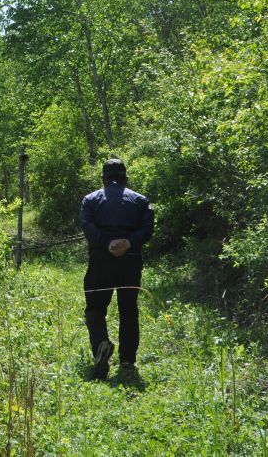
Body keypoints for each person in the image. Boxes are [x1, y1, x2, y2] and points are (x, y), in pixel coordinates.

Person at [79, 157, 154, 379]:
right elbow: (148, 229)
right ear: (125, 178)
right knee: (128, 309)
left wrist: (107, 243)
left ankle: (101, 343)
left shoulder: (90, 200)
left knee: (95, 308)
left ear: (103, 179)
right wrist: (128, 243)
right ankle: (128, 360)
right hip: (130, 261)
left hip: (100, 260)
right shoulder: (140, 200)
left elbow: (87, 226)